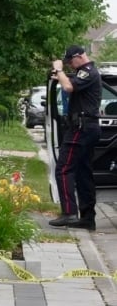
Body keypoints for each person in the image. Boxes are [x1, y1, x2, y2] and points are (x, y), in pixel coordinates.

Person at [48, 45, 101, 230]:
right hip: (88, 127)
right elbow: (70, 82)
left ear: (78, 57)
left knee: (63, 169)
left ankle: (69, 213)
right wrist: (61, 76)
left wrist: (60, 70)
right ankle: (87, 218)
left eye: (71, 61)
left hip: (81, 127)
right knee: (83, 173)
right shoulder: (84, 74)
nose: (70, 65)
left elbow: (69, 87)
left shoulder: (88, 71)